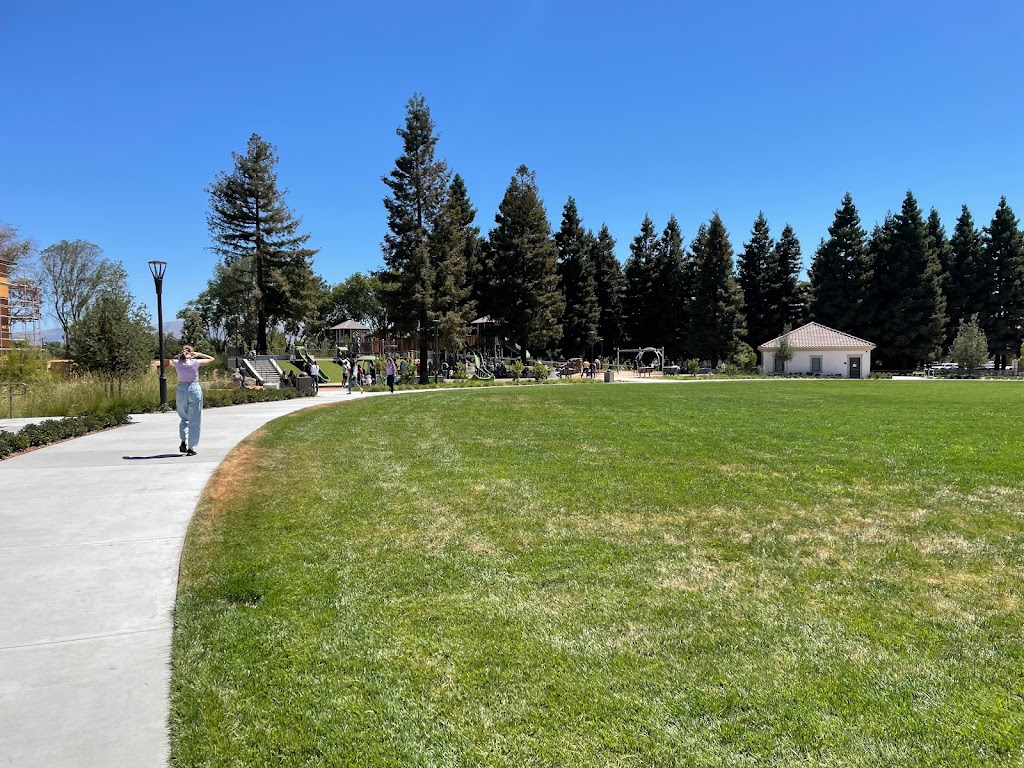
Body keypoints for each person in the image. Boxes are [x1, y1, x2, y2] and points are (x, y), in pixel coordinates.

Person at [173, 346, 215, 456]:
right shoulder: (195, 363)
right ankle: (191, 448)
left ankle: (183, 441)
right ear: (191, 353)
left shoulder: (177, 363)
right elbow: (212, 359)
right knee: (195, 419)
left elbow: (173, 358)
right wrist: (199, 354)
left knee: (184, 418)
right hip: (194, 389)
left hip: (181, 389)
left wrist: (182, 355)